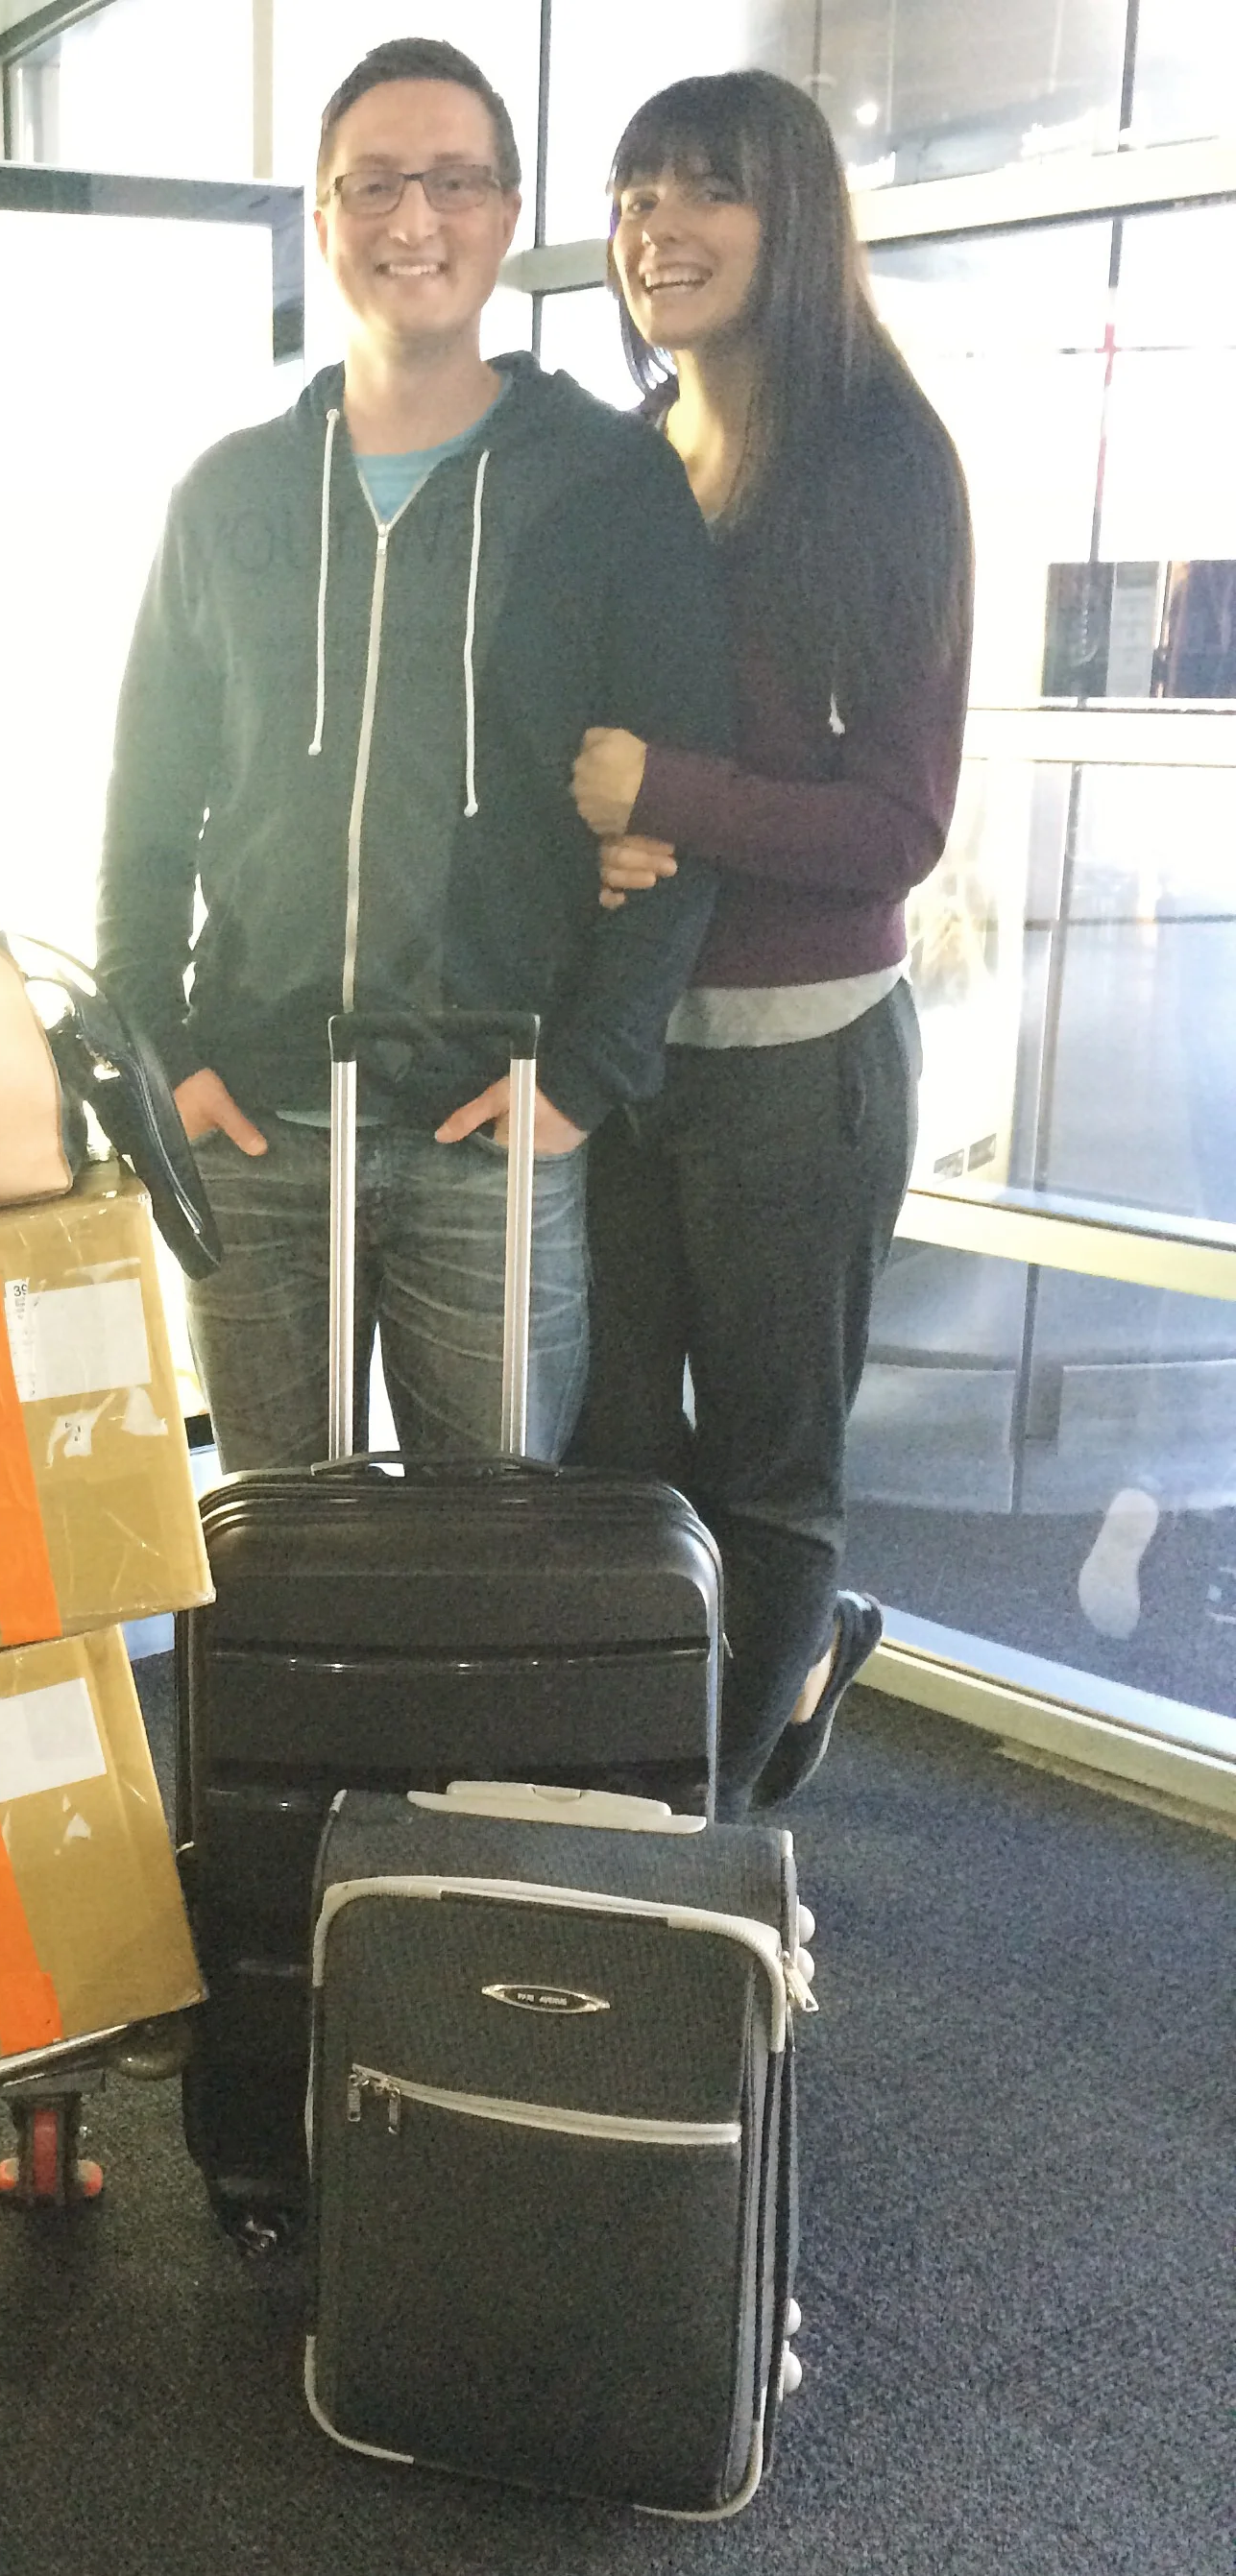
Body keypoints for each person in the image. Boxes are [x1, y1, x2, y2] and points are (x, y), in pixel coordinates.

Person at [96, 36, 732, 1475]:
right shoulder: (231, 494)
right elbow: (145, 808)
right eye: (372, 186)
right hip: (255, 1125)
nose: (413, 222)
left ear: (506, 213)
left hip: (491, 1129)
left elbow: (683, 799)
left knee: (491, 1554)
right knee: (272, 1551)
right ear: (320, 220)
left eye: (452, 183)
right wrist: (162, 1054)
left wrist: (588, 1072)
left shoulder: (608, 486)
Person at [566, 68, 974, 1812]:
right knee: (617, 1455)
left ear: (790, 217)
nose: (661, 224)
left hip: (803, 1072)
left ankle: (704, 1838)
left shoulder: (885, 463)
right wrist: (593, 839)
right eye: (639, 191)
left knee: (769, 1476)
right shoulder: (639, 454)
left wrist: (671, 791)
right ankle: (689, 1745)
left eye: (707, 189)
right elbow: (588, 753)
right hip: (636, 1053)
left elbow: (898, 824)